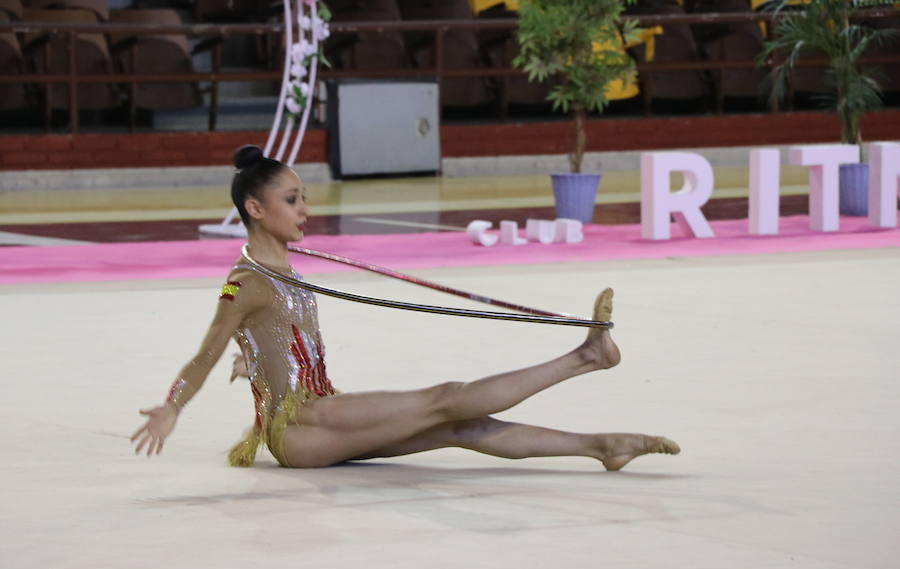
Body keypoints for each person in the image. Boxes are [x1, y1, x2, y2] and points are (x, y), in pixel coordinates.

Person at [130, 145, 680, 470]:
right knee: (446, 400)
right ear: (256, 207)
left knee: (460, 426)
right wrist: (173, 405)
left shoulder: (281, 268)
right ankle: (586, 357)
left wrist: (255, 356)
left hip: (321, 409)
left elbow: (270, 335)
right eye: (292, 199)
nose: (305, 209)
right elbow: (206, 352)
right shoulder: (246, 280)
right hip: (300, 428)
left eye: (303, 197)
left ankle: (602, 446)